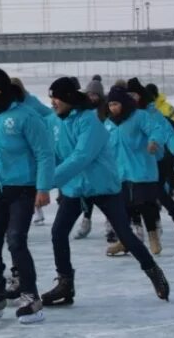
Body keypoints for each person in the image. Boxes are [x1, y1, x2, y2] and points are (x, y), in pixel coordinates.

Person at [41, 78, 169, 307]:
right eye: (51, 98)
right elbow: (51, 154)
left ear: (69, 98)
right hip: (74, 188)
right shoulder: (53, 122)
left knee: (125, 235)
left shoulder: (90, 123)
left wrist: (46, 182)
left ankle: (153, 271)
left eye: (56, 98)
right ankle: (65, 284)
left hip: (103, 187)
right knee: (58, 232)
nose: (53, 103)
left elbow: (81, 157)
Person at [0, 68, 55, 324]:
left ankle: (30, 296)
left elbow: (44, 153)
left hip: (23, 190)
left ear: (4, 91)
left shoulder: (26, 116)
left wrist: (43, 187)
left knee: (16, 240)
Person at [104, 86, 166, 256]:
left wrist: (153, 141)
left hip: (141, 170)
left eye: (116, 104)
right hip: (120, 173)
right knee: (124, 209)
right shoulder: (109, 124)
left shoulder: (140, 117)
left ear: (123, 103)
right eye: (110, 105)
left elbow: (157, 130)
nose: (113, 108)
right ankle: (125, 241)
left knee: (145, 205)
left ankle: (153, 237)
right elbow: (103, 146)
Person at [11, 77, 52, 227]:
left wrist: (42, 128)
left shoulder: (31, 102)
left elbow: (49, 115)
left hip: (33, 146)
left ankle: (38, 208)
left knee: (34, 178)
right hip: (19, 147)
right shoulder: (10, 105)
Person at [73, 76, 108, 240]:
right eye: (90, 94)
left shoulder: (105, 112)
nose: (93, 97)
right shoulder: (83, 111)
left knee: (105, 193)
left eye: (96, 94)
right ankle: (86, 221)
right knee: (87, 193)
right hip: (87, 158)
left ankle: (110, 223)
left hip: (102, 158)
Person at [146, 82, 174, 206]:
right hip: (156, 146)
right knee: (158, 172)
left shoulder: (166, 108)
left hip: (170, 145)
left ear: (154, 95)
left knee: (168, 169)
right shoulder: (145, 110)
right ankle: (161, 197)